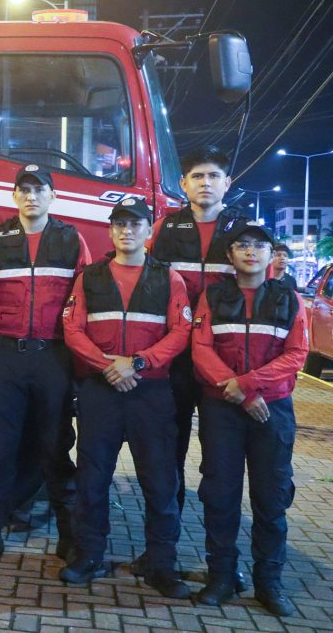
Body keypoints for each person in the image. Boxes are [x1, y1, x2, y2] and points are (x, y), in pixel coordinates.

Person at [59, 198, 192, 598]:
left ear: (149, 231)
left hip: (150, 392)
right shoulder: (89, 277)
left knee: (160, 482)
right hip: (101, 389)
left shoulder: (169, 279)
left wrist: (136, 364)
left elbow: (180, 332)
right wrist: (107, 367)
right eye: (120, 224)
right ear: (111, 230)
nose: (127, 231)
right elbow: (72, 329)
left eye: (135, 224)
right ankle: (88, 555)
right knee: (92, 479)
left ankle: (161, 565)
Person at [0, 164, 90, 564]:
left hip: (53, 357)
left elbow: (83, 297)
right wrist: (4, 333)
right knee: (1, 451)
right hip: (7, 357)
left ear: (53, 196)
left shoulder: (71, 240)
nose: (31, 196)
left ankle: (69, 536)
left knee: (55, 447)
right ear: (14, 196)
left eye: (39, 189)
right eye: (24, 189)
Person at [191, 220, 308, 617]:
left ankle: (268, 583)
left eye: (259, 246)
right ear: (230, 255)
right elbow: (201, 348)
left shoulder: (288, 298)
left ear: (271, 254)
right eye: (242, 245)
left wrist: (247, 385)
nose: (250, 251)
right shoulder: (213, 296)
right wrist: (239, 392)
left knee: (271, 499)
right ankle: (221, 578)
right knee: (220, 496)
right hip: (222, 410)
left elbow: (296, 354)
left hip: (272, 411)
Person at [148, 145, 250, 579]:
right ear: (184, 184)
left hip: (222, 366)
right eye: (197, 176)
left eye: (213, 176)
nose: (205, 183)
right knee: (165, 459)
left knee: (221, 467)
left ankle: (223, 566)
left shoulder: (245, 233)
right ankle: (161, 555)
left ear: (227, 183)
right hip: (172, 362)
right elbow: (149, 285)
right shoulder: (165, 228)